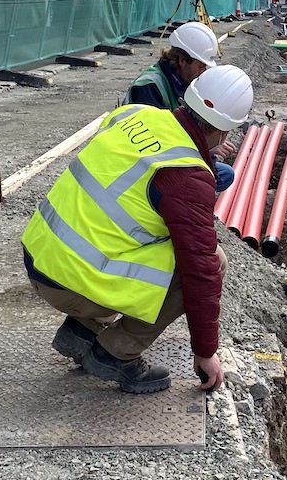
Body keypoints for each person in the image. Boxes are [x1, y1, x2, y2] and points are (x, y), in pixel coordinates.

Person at [22, 65, 254, 395]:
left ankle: (82, 330)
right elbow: (201, 272)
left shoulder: (136, 114)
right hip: (68, 280)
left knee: (144, 235)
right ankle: (116, 352)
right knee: (212, 262)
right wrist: (205, 353)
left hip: (41, 253)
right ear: (224, 132)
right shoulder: (186, 177)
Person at [124, 20, 237, 193]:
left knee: (224, 174)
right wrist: (205, 147)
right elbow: (154, 144)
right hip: (142, 164)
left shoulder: (184, 82)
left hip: (168, 155)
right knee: (209, 177)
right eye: (200, 66)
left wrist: (211, 141)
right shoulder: (149, 87)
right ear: (182, 60)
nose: (204, 72)